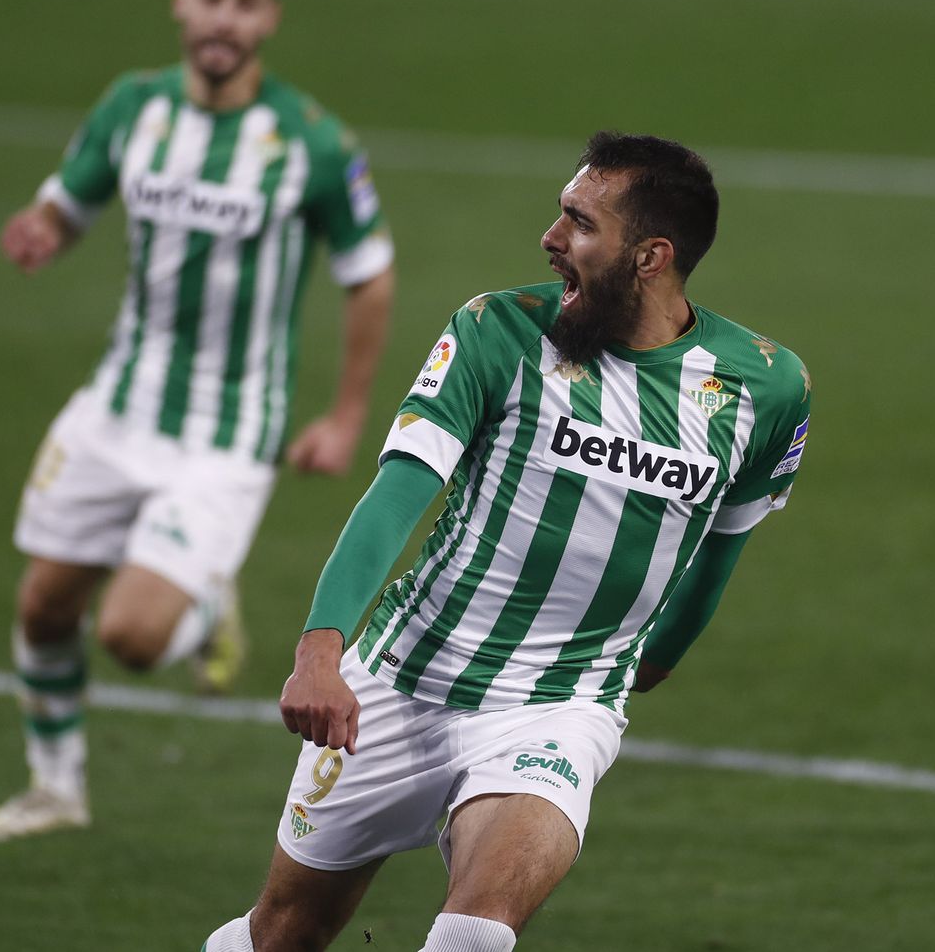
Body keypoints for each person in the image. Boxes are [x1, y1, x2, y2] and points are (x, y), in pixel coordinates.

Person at [201, 132, 812, 950]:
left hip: (560, 705)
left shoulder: (767, 387)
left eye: (580, 223)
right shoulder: (498, 331)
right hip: (398, 685)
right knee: (283, 935)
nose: (551, 239)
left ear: (650, 256)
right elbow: (396, 498)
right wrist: (320, 651)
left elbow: (721, 548)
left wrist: (650, 663)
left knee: (475, 934)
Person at [0, 0, 396, 843]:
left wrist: (346, 412)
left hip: (228, 431)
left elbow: (371, 272)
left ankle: (204, 604)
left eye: (245, 4)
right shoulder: (132, 108)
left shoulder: (312, 142)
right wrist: (43, 228)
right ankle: (56, 788)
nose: (224, 20)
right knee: (43, 603)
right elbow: (69, 199)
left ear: (269, 17)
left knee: (130, 637)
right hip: (118, 404)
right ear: (180, 1)